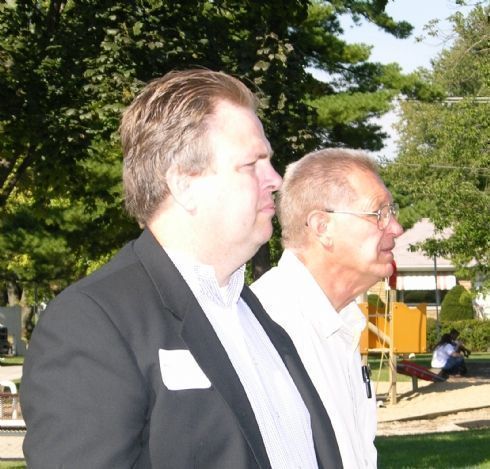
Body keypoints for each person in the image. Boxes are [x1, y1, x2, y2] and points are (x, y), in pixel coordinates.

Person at [20, 70, 342, 468]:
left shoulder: (256, 316)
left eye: (270, 162)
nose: (275, 180)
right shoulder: (93, 323)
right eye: (251, 164)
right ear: (183, 184)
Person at [252, 148, 404, 468]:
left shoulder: (342, 323)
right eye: (379, 213)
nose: (396, 229)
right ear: (322, 227)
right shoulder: (268, 327)